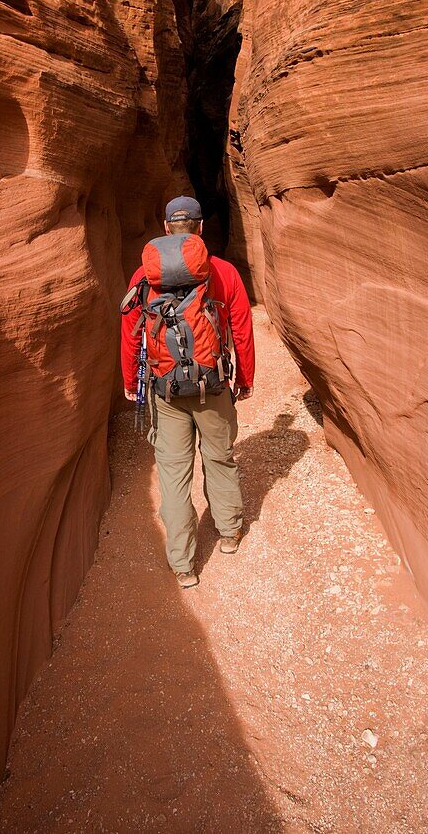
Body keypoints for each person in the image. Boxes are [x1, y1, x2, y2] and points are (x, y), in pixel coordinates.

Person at [120, 196, 255, 588]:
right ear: (199, 228)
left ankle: (183, 565)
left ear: (165, 228)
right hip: (212, 386)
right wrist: (244, 378)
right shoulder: (223, 272)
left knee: (174, 473)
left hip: (164, 390)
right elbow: (242, 330)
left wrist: (132, 383)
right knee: (219, 458)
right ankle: (228, 532)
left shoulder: (143, 278)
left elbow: (131, 335)